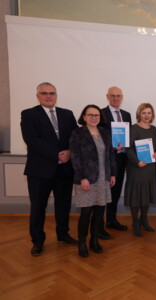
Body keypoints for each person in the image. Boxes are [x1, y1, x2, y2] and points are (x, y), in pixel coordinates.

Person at [21, 82, 79, 256]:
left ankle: (63, 234)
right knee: (38, 207)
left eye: (52, 93)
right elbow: (31, 140)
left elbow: (76, 137)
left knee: (63, 205)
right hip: (40, 171)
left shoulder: (67, 114)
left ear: (56, 95)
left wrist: (70, 152)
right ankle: (38, 241)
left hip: (64, 170)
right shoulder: (29, 114)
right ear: (38, 96)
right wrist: (57, 154)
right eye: (44, 93)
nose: (48, 96)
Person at [70, 105, 117, 257]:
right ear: (84, 117)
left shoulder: (105, 132)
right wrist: (82, 177)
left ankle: (94, 240)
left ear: (100, 117)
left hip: (103, 178)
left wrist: (113, 174)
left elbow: (110, 155)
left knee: (99, 212)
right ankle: (82, 242)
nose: (93, 117)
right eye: (90, 115)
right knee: (86, 213)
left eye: (96, 115)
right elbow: (75, 157)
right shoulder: (78, 133)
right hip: (86, 180)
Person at [125, 103, 156, 237]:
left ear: (152, 115)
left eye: (149, 113)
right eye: (144, 113)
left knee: (146, 194)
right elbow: (128, 149)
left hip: (150, 168)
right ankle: (135, 222)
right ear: (139, 114)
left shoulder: (154, 129)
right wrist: (137, 161)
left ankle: (144, 220)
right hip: (136, 168)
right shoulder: (133, 129)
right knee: (136, 195)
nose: (146, 115)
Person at [100, 86, 132, 237]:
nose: (115, 98)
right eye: (113, 96)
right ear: (107, 96)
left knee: (116, 191)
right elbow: (97, 137)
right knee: (103, 193)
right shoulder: (100, 114)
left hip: (121, 159)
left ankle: (111, 220)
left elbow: (129, 137)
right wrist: (110, 146)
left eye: (118, 96)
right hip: (105, 160)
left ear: (122, 97)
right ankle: (99, 225)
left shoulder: (127, 115)